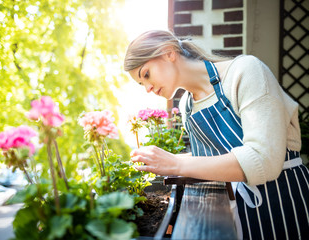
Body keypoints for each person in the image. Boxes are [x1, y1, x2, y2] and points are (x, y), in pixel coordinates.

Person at [124, 30, 309, 239]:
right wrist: (162, 161)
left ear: (168, 52)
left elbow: (264, 160)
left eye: (146, 74)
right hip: (239, 213)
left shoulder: (245, 71)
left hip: (285, 201)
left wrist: (176, 164)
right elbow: (213, 159)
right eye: (141, 84)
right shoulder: (187, 106)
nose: (147, 88)